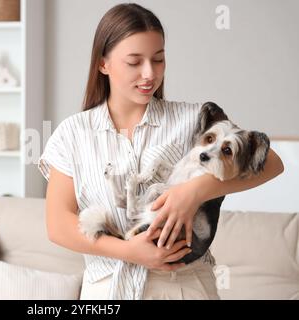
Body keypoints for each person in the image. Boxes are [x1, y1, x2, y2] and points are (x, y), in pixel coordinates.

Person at [38, 3, 284, 300]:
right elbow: (58, 223)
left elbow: (271, 162)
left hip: (183, 287)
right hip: (104, 291)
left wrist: (194, 191)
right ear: (103, 64)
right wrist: (129, 251)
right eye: (134, 62)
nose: (149, 74)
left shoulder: (196, 120)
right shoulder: (72, 133)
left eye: (158, 59)